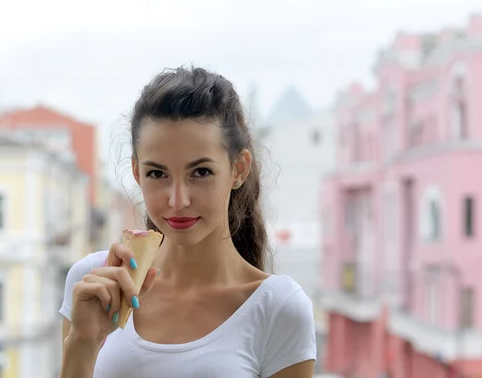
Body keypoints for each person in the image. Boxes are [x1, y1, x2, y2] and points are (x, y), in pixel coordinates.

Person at [59, 66, 317, 377]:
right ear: (137, 172)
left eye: (201, 172)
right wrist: (83, 345)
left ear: (239, 169)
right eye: (158, 173)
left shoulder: (278, 309)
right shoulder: (95, 284)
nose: (177, 200)